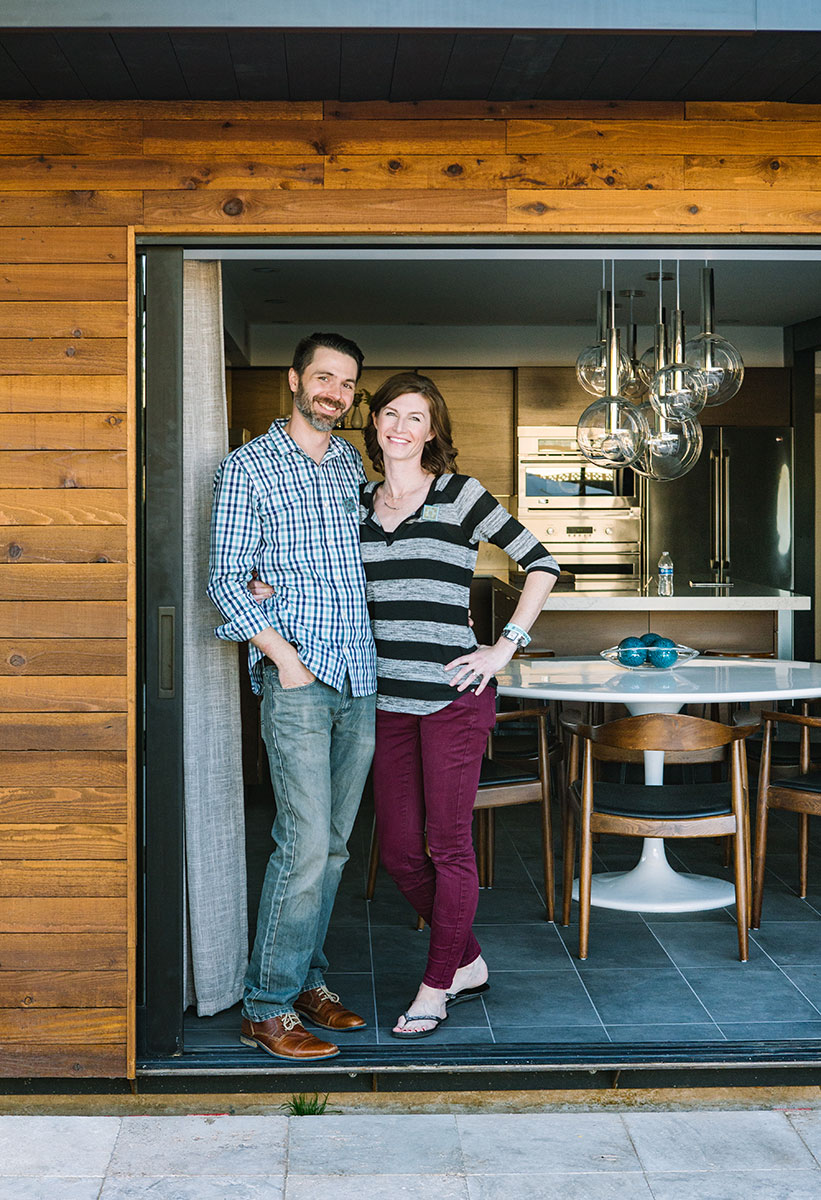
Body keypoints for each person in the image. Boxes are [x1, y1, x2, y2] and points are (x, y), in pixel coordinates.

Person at [358, 372, 560, 1038]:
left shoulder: (458, 495)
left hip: (453, 699)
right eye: (390, 413)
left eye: (415, 417)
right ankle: (467, 959)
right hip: (388, 701)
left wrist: (504, 648)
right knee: (397, 852)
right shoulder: (356, 502)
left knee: (446, 846)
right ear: (376, 424)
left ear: (432, 430)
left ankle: (436, 984)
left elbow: (540, 562)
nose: (400, 427)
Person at [207, 331, 377, 1062]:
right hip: (300, 681)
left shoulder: (350, 464)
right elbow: (223, 579)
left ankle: (309, 980)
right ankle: (266, 1006)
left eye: (345, 383)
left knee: (334, 848)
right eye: (323, 377)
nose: (333, 392)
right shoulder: (247, 467)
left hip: (360, 677)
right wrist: (285, 658)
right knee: (302, 843)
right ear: (293, 380)